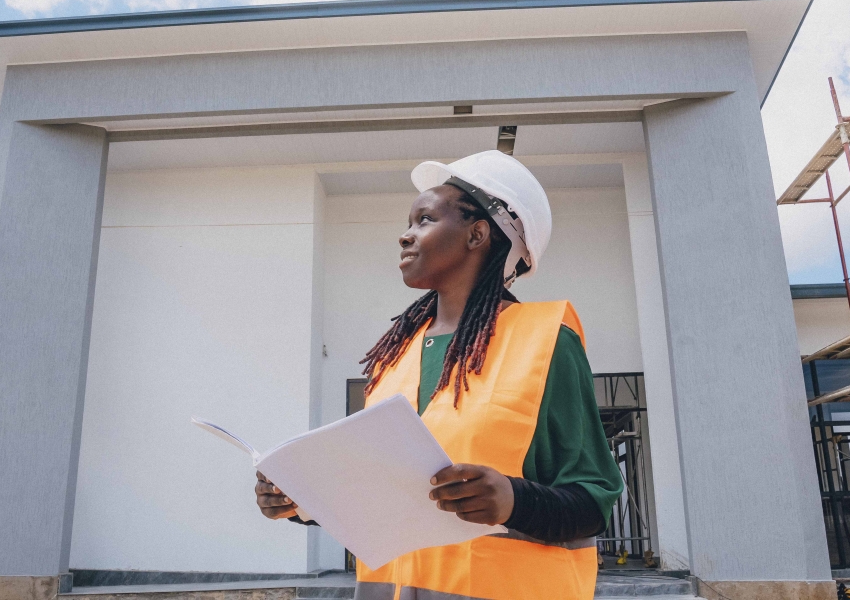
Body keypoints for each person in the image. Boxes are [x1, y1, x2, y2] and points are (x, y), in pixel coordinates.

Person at [254, 150, 624, 600]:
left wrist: (514, 499)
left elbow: (593, 501)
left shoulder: (545, 340)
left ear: (477, 234)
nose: (405, 236)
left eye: (424, 219)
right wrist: (304, 499)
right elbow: (382, 494)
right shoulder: (397, 355)